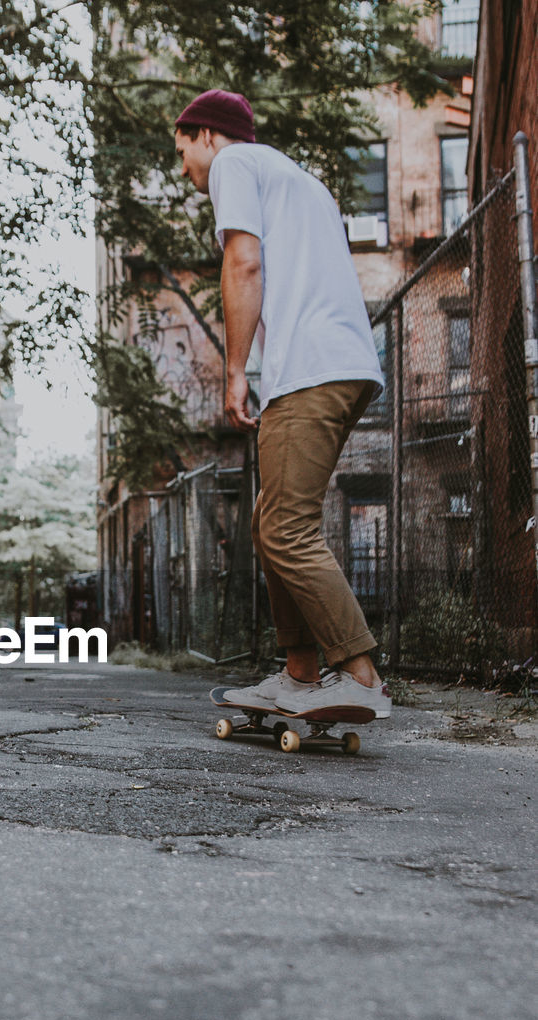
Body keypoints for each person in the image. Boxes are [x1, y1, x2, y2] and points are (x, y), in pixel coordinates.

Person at [174, 90, 391, 721]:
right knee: (271, 521)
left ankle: (360, 675)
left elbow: (244, 265)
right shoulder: (302, 182)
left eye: (183, 150)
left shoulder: (236, 166)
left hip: (308, 369)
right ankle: (299, 675)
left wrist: (237, 369)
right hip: (342, 364)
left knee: (286, 528)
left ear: (207, 135)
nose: (185, 168)